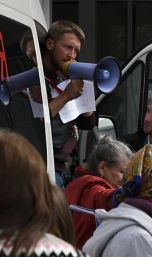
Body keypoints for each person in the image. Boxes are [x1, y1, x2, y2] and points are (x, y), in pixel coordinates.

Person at [41, 20, 95, 188]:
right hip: (41, 166)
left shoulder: (63, 76)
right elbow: (37, 120)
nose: (72, 55)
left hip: (59, 167)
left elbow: (87, 123)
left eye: (76, 50)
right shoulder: (35, 75)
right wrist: (66, 95)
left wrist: (85, 95)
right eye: (68, 47)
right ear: (50, 44)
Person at [65, 135, 133, 248]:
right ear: (102, 167)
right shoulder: (95, 189)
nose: (126, 180)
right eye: (122, 172)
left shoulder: (75, 184)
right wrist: (128, 192)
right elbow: (106, 197)